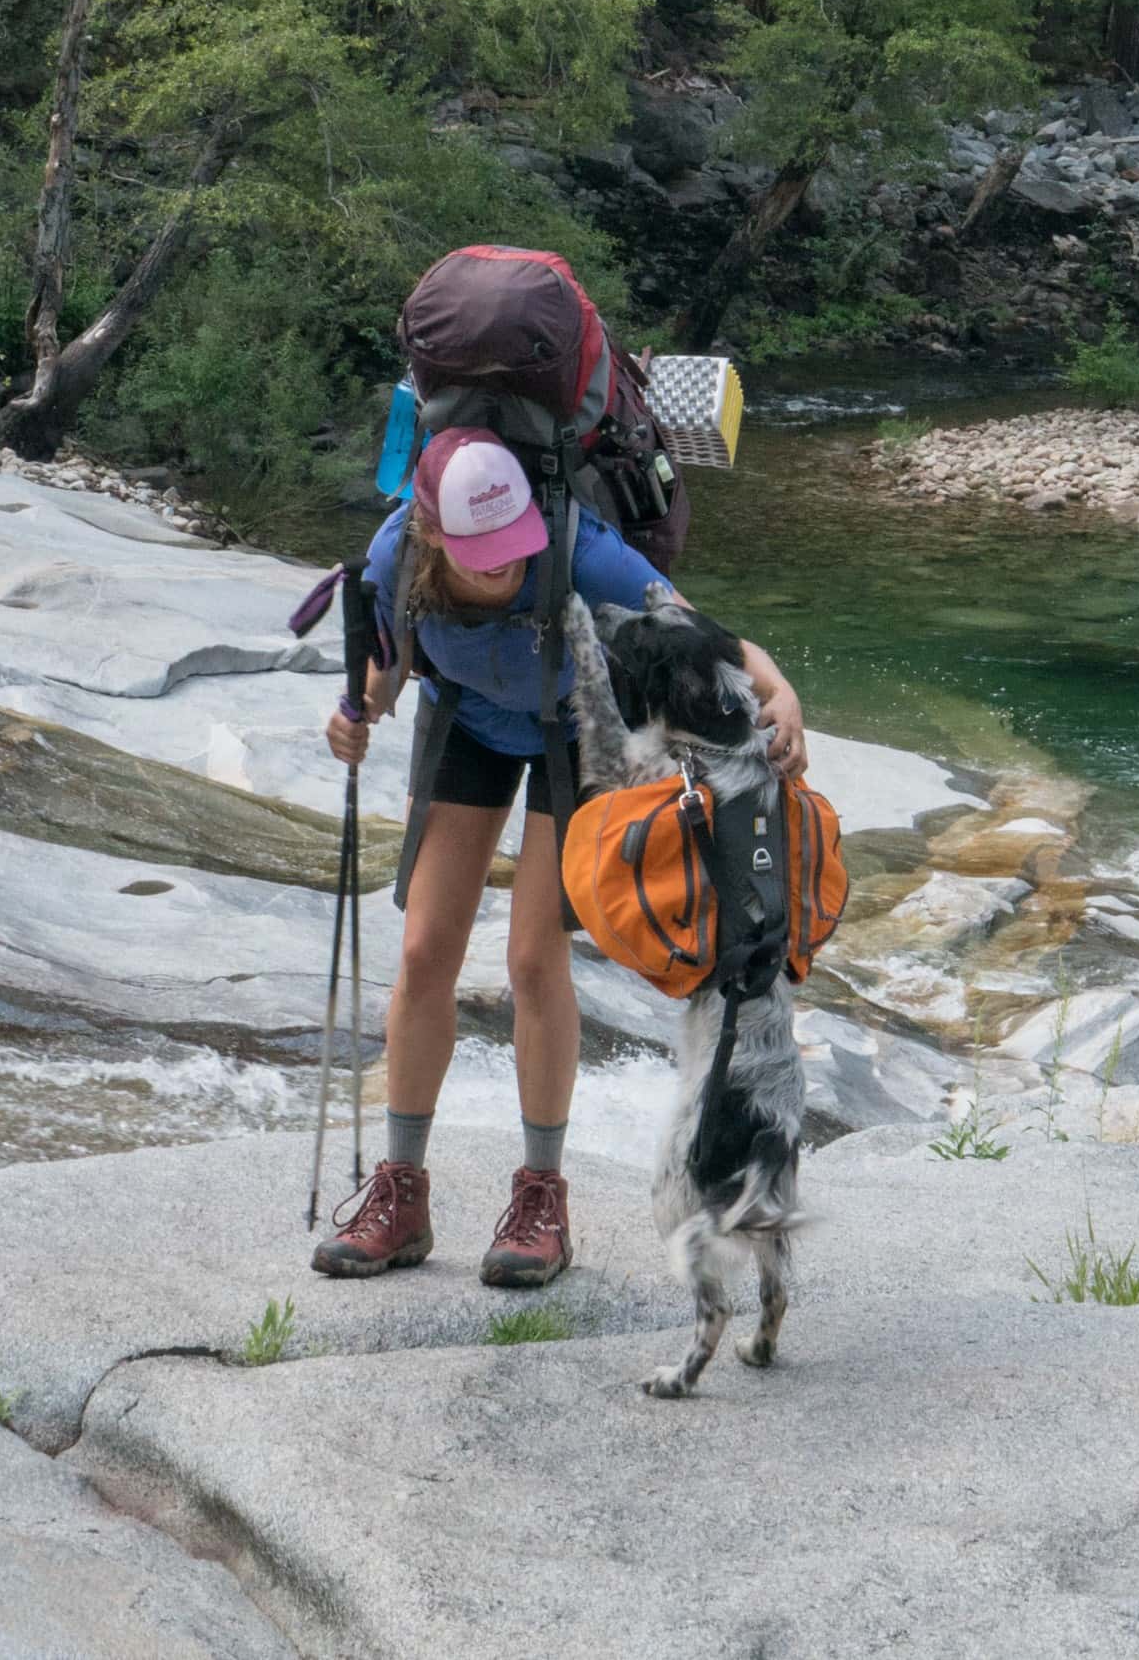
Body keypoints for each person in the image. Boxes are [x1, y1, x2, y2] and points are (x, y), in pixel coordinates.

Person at [312, 423, 807, 1290]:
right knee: (427, 953)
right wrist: (356, 710)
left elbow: (719, 645)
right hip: (466, 720)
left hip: (573, 733)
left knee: (533, 959)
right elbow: (386, 675)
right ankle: (402, 1191)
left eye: (513, 555)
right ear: (433, 536)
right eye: (484, 558)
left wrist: (784, 696)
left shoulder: (581, 550)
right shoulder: (395, 555)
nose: (504, 568)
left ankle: (542, 1198)